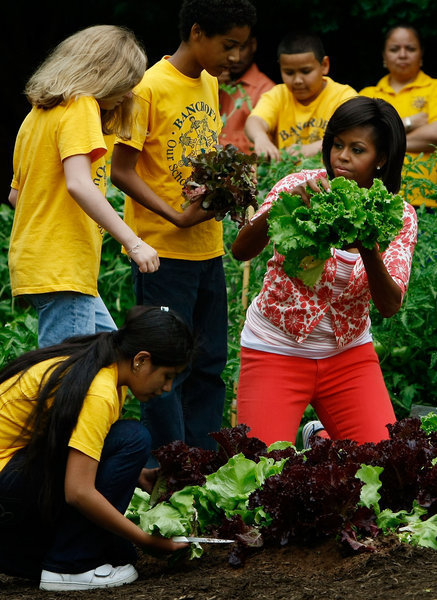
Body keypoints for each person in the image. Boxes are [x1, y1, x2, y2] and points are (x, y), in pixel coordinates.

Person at [110, 0, 257, 463]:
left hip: (206, 248)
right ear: (197, 33)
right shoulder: (148, 87)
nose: (235, 56)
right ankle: (168, 468)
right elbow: (121, 170)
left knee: (209, 365)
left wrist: (231, 186)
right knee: (164, 368)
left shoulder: (210, 83)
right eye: (226, 44)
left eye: (241, 46)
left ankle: (205, 466)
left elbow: (206, 154)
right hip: (162, 252)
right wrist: (173, 215)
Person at [232, 96, 417, 448]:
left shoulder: (399, 215)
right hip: (275, 347)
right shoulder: (300, 186)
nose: (342, 156)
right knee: (258, 475)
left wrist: (368, 244)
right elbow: (241, 250)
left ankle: (320, 439)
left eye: (357, 149)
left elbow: (390, 304)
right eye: (337, 144)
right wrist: (284, 207)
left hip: (348, 356)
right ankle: (321, 440)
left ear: (380, 159)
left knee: (384, 466)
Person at [0, 306, 192, 590]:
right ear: (141, 360)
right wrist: (146, 540)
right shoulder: (100, 390)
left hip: (13, 481)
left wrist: (137, 474)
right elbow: (78, 491)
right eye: (166, 375)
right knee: (133, 438)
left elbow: (73, 442)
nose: (167, 387)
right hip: (8, 487)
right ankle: (69, 566)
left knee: (119, 554)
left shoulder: (108, 366)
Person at [8, 25, 160, 349]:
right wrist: (133, 243)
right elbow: (79, 183)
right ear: (104, 74)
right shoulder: (81, 106)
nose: (131, 92)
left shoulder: (37, 115)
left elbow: (16, 195)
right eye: (127, 82)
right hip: (64, 266)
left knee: (109, 355)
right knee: (64, 378)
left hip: (40, 263)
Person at [244, 31, 357, 161]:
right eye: (289, 72)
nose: (297, 80)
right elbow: (254, 121)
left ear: (324, 65)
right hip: (286, 178)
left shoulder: (343, 96)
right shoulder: (278, 94)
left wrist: (316, 147)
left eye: (306, 71)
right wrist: (260, 138)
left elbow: (354, 132)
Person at [359, 25, 437, 209]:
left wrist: (383, 143)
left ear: (421, 54)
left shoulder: (434, 89)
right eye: (395, 49)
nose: (402, 54)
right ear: (384, 56)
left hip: (428, 204)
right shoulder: (368, 94)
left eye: (410, 48)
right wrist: (408, 123)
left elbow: (435, 134)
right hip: (376, 203)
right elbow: (359, 139)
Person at [218, 32, 275, 154]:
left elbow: (260, 146)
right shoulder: (213, 81)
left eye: (241, 48)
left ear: (253, 45)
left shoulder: (267, 90)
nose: (235, 56)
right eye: (229, 48)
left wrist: (216, 145)